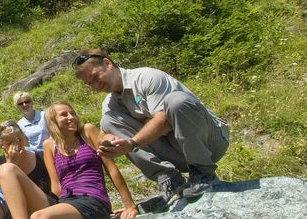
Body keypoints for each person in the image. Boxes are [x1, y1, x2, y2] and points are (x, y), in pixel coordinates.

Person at [72, 50, 229, 202]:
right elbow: (103, 132)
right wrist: (108, 139)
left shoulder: (147, 77)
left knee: (177, 101)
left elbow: (164, 120)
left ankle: (204, 173)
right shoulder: (110, 103)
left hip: (210, 144)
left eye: (95, 77)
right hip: (177, 153)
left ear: (108, 63)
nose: (95, 85)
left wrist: (131, 143)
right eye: (89, 83)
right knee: (108, 121)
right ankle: (170, 179)